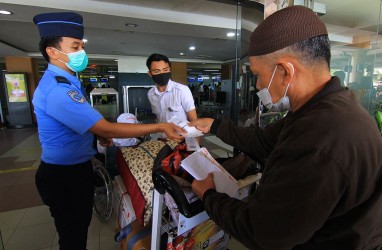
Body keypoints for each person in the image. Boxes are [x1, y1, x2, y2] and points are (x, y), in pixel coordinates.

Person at [189, 6, 382, 249]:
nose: (257, 85)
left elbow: (264, 231)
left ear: (285, 72)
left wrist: (209, 196)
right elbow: (263, 141)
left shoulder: (317, 140)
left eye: (258, 75)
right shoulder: (326, 108)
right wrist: (215, 125)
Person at [32, 12, 184, 250]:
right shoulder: (57, 89)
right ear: (53, 52)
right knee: (73, 237)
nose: (82, 51)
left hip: (76, 168)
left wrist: (96, 134)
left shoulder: (70, 81)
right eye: (75, 46)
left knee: (77, 230)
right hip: (64, 174)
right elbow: (106, 126)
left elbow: (82, 123)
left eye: (81, 44)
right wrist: (160, 126)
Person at [146, 53, 197, 124]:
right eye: (157, 71)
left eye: (165, 70)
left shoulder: (182, 90)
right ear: (150, 74)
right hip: (161, 134)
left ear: (169, 70)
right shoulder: (151, 93)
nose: (162, 74)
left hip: (181, 134)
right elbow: (158, 117)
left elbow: (194, 120)